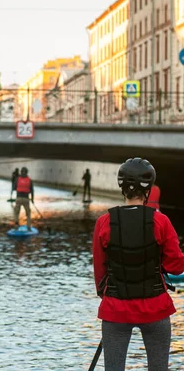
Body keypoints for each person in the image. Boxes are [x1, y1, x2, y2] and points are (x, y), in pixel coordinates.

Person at [93, 157, 184, 371]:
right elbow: (176, 267)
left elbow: (100, 271)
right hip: (156, 308)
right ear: (148, 189)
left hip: (115, 308)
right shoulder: (161, 222)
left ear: (121, 187)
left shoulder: (103, 222)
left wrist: (106, 296)